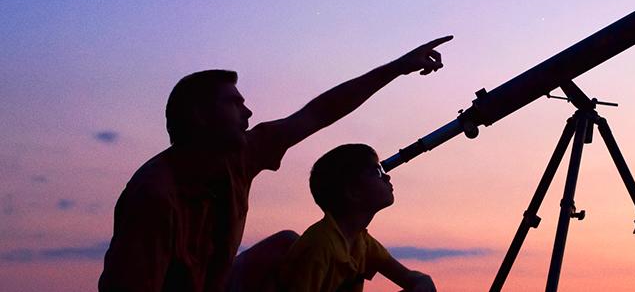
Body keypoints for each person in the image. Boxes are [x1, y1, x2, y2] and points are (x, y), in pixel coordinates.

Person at [98, 36, 453, 292]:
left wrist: (397, 68)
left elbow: (320, 112)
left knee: (286, 244)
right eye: (234, 104)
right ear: (200, 116)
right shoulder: (155, 198)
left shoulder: (240, 157)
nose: (248, 113)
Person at [278, 144, 435, 292]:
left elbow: (406, 276)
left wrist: (421, 281)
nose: (387, 177)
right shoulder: (319, 245)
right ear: (353, 192)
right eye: (377, 172)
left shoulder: (361, 242)